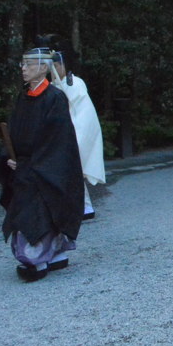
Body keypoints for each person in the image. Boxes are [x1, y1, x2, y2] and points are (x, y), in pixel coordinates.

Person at [0, 47, 84, 282]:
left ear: (43, 68)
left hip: (45, 165)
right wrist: (9, 156)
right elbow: (14, 130)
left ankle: (36, 261)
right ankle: (52, 255)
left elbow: (58, 139)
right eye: (22, 65)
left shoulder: (55, 98)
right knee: (28, 207)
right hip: (25, 164)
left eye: (28, 64)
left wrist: (32, 164)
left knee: (40, 209)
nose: (23, 69)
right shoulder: (24, 96)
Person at [44, 36, 105, 220]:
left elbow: (83, 115)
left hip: (77, 132)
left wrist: (71, 139)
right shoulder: (55, 85)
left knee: (72, 171)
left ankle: (84, 207)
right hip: (64, 134)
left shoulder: (75, 84)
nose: (52, 69)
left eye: (55, 65)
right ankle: (79, 207)